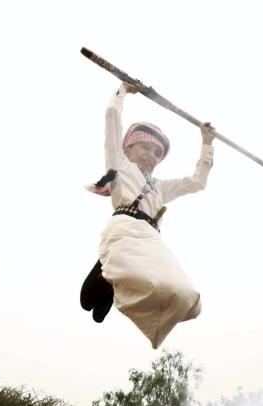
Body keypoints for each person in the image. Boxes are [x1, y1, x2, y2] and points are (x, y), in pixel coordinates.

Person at [80, 80, 216, 349]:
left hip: (150, 239)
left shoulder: (161, 188)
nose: (151, 155)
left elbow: (197, 182)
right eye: (145, 147)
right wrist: (123, 91)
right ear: (127, 149)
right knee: (91, 299)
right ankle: (106, 274)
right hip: (124, 227)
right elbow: (112, 118)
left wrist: (206, 143)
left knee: (182, 292)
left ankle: (112, 280)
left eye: (157, 152)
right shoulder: (119, 167)